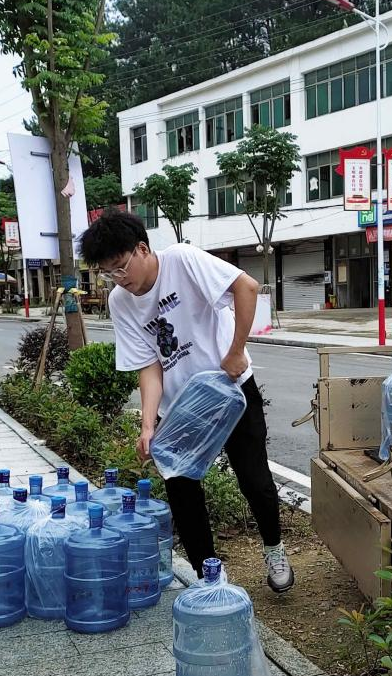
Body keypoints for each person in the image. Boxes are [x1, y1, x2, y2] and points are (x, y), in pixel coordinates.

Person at [79, 210, 294, 593]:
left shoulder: (182, 259)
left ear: (142, 249)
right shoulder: (120, 302)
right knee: (180, 486)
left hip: (230, 389)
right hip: (183, 407)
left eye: (121, 267)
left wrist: (235, 350)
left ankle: (274, 549)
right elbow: (149, 367)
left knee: (254, 479)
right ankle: (208, 573)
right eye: (109, 272)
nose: (119, 278)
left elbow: (247, 286)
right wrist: (148, 426)